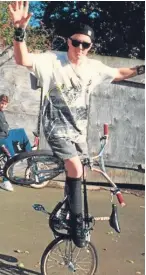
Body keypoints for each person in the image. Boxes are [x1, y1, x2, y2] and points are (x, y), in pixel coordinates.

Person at [9, 1, 145, 247]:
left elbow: (120, 73)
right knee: (74, 167)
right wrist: (20, 32)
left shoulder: (94, 68)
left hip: (78, 133)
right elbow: (22, 59)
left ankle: (67, 213)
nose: (79, 48)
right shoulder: (52, 60)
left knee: (80, 174)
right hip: (56, 128)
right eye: (75, 42)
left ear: (90, 47)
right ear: (68, 41)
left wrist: (142, 68)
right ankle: (77, 223)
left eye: (85, 44)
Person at [0, 94, 32, 192]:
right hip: (1, 138)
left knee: (21, 132)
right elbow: (3, 127)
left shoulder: (1, 112)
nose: (3, 105)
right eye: (1, 103)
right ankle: (6, 181)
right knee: (12, 156)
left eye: (5, 104)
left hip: (5, 134)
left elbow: (5, 128)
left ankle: (31, 160)